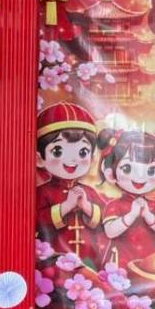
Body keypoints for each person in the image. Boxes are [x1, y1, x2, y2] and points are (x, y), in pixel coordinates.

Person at [36, 102, 104, 265]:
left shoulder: (89, 192)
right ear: (39, 159)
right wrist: (66, 206)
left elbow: (106, 220)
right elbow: (35, 221)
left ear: (92, 159)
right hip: (52, 261)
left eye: (82, 152)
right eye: (58, 151)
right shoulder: (42, 192)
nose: (72, 159)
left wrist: (86, 207)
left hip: (90, 259)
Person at [98, 127, 155, 266]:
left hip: (152, 260)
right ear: (110, 174)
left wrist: (148, 215)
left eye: (151, 170)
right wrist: (132, 215)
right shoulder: (114, 205)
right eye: (127, 168)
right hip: (121, 260)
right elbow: (110, 232)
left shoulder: (154, 205)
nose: (140, 177)